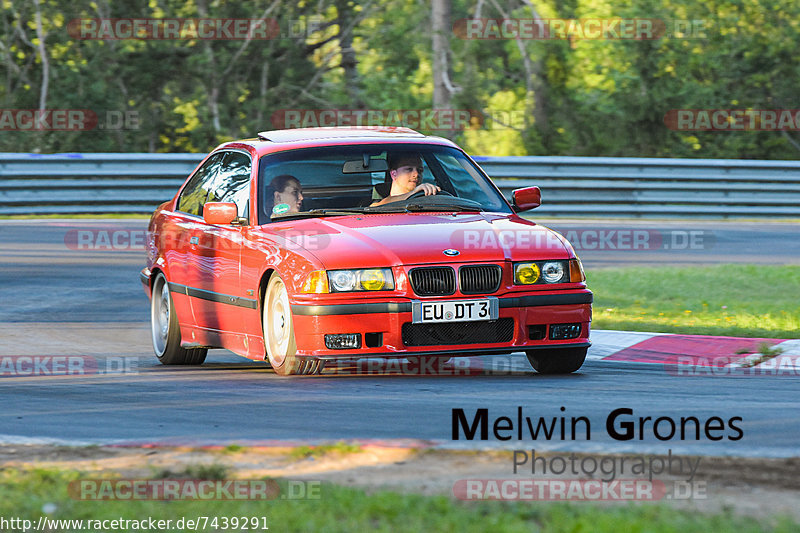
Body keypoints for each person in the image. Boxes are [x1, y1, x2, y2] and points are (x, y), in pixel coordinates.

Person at [370, 152, 440, 206]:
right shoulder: (379, 205)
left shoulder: (428, 203)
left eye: (420, 170)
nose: (416, 174)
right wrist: (413, 193)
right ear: (394, 174)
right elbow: (377, 206)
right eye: (409, 169)